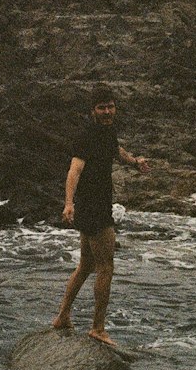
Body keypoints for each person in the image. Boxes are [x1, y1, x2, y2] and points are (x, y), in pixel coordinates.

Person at [51, 85, 150, 345]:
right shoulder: (87, 136)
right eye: (101, 108)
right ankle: (97, 328)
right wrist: (68, 203)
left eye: (110, 107)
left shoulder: (107, 131)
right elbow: (74, 171)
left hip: (95, 206)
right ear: (92, 110)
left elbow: (116, 151)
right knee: (105, 268)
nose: (107, 112)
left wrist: (135, 162)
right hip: (93, 209)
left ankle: (62, 316)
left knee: (85, 266)